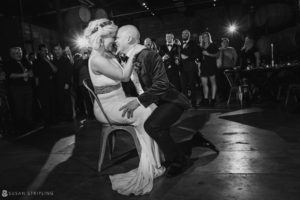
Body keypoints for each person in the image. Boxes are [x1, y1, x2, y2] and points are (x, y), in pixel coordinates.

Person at [116, 25, 218, 179]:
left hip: (171, 100)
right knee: (158, 130)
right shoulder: (130, 57)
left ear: (129, 39)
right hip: (155, 101)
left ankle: (179, 160)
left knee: (152, 126)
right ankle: (194, 141)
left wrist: (138, 101)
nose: (116, 41)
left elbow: (162, 84)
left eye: (118, 37)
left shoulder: (149, 55)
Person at [84, 18, 165, 196]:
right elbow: (124, 76)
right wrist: (134, 52)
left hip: (119, 100)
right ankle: (151, 164)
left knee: (150, 106)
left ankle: (154, 161)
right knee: (145, 111)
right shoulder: (96, 59)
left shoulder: (108, 55)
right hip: (107, 108)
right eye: (113, 36)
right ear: (101, 38)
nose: (115, 39)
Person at [199, 32, 219, 107]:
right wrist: (199, 68)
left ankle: (213, 100)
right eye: (203, 37)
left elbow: (217, 55)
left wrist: (208, 54)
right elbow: (200, 59)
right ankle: (206, 99)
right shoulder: (201, 46)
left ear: (209, 37)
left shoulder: (213, 45)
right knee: (204, 84)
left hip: (211, 66)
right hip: (203, 67)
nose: (205, 38)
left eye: (206, 36)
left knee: (213, 83)